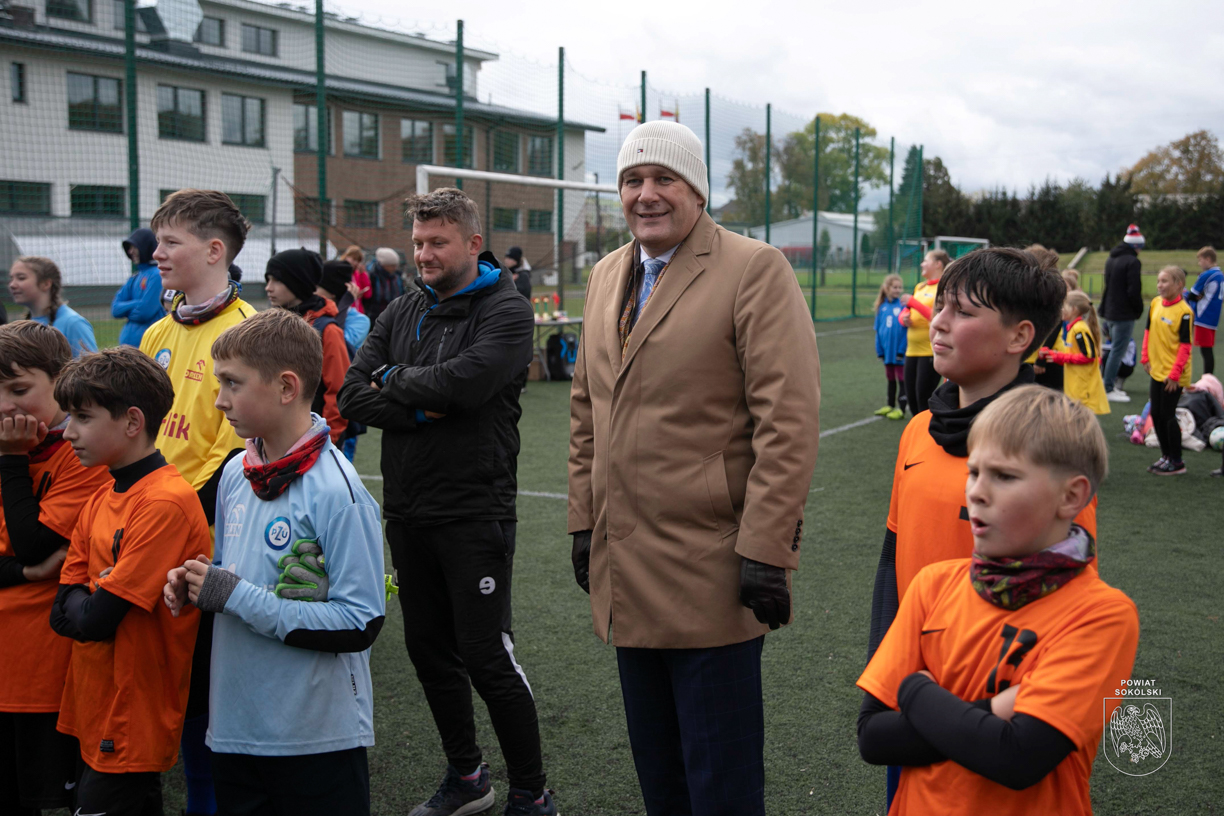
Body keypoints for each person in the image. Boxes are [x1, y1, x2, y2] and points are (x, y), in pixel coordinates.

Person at [568, 121, 821, 816]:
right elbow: (586, 408)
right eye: (631, 181)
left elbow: (788, 420)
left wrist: (768, 550)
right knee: (662, 780)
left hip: (712, 570)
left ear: (696, 190)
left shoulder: (753, 268)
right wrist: (584, 522)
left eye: (664, 179)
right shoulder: (605, 275)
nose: (646, 195)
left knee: (721, 786)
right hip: (626, 569)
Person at [337, 188, 549, 816]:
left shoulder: (507, 311)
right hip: (406, 508)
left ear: (472, 243)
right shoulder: (401, 309)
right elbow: (351, 394)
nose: (424, 253)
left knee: (486, 655)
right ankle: (468, 777)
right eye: (419, 242)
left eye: (438, 242)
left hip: (473, 510)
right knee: (428, 650)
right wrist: (425, 408)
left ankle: (531, 793)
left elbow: (469, 382)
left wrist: (399, 384)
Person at [867, 247, 1096, 810]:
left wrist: (974, 711)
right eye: (939, 305)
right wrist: (886, 669)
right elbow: (891, 559)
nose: (938, 321)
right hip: (909, 694)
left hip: (993, 716)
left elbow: (1066, 600)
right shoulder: (918, 432)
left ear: (1020, 337)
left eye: (963, 311)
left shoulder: (1050, 455)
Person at [857, 385, 1138, 816]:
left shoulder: (1102, 615)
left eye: (1004, 476)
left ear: (1072, 496)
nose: (977, 493)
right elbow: (874, 737)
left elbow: (1017, 756)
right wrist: (996, 712)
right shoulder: (933, 585)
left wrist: (914, 691)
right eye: (973, 472)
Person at [164, 309, 385, 816]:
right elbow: (234, 575)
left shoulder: (339, 491)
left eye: (232, 384)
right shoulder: (237, 473)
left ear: (286, 387)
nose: (218, 400)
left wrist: (236, 596)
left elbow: (361, 621)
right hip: (236, 727)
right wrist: (197, 584)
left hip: (314, 736)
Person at [49, 346, 211, 815]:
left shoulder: (164, 503)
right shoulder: (101, 495)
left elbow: (96, 619)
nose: (69, 431)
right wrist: (96, 592)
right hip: (94, 703)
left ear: (133, 421)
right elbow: (63, 611)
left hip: (132, 712)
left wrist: (92, 594)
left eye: (82, 416)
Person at [140, 188, 253, 816]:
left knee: (205, 678)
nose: (157, 253)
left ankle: (208, 798)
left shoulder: (245, 334)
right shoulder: (159, 330)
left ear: (214, 250)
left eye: (169, 242)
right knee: (162, 672)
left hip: (200, 531)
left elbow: (235, 450)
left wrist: (171, 510)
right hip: (148, 520)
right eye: (158, 241)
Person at [0, 323, 113, 816]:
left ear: (61, 383)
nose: (5, 405)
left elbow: (31, 543)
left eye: (19, 390)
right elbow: (33, 564)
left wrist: (9, 462)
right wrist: (25, 575)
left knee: (48, 798)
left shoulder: (80, 456)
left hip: (44, 671)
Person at [264, 249, 350, 446]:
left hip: (313, 440)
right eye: (267, 280)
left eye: (276, 280)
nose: (268, 287)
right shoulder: (270, 325)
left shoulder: (328, 330)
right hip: (277, 436)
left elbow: (338, 390)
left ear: (297, 282)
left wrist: (328, 439)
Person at [1142, 265, 1194, 476]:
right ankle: (1165, 457)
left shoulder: (1185, 312)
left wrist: (1175, 375)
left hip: (1174, 374)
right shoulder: (1155, 303)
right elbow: (1148, 331)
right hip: (1157, 370)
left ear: (1179, 285)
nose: (1159, 285)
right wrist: (1145, 356)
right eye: (1158, 281)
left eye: (1164, 281)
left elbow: (1185, 347)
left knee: (1168, 415)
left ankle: (1177, 461)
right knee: (1155, 413)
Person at [318, 260, 369, 461]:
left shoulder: (359, 321)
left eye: (317, 288)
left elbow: (336, 340)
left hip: (343, 415)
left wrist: (345, 304)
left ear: (331, 293)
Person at [8, 257, 97, 356]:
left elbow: (89, 369)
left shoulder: (73, 323)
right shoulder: (24, 324)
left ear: (46, 284)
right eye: (11, 278)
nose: (12, 284)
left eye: (21, 278)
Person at [1039, 291, 1109, 414]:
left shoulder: (1079, 329)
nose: (1061, 310)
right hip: (1075, 383)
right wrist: (1053, 355)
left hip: (1082, 385)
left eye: (1064, 306)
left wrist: (1059, 356)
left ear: (1074, 309)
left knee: (1080, 418)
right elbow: (1073, 353)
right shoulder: (1074, 328)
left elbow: (1089, 356)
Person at [1100, 224, 1145, 402]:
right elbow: (1133, 290)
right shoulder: (1132, 262)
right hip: (1123, 313)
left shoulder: (1111, 259)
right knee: (1118, 351)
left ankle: (1108, 385)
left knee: (1114, 350)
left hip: (1110, 311)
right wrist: (1138, 309)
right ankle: (1108, 387)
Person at [899, 249, 947, 414]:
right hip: (911, 350)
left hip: (930, 350)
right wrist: (904, 317)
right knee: (911, 397)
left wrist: (913, 302)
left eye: (926, 260)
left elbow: (935, 316)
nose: (922, 264)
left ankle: (928, 435)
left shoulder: (943, 288)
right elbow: (906, 311)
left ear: (937, 264)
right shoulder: (919, 287)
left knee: (923, 398)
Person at [112, 227, 166, 347]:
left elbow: (145, 312)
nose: (130, 252)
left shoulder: (157, 275)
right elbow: (115, 309)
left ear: (145, 246)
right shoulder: (135, 277)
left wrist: (127, 309)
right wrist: (137, 303)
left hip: (150, 347)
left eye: (134, 247)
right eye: (129, 248)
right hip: (129, 350)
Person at [874, 273, 908, 419]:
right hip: (887, 352)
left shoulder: (903, 306)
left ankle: (901, 408)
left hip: (899, 352)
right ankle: (890, 405)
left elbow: (907, 331)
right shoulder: (881, 307)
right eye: (895, 287)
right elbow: (878, 330)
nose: (898, 290)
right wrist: (879, 350)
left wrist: (901, 350)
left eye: (900, 287)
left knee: (901, 379)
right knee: (890, 378)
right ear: (887, 288)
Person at [1185, 246, 1222, 376]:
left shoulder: (1208, 275)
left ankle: (1207, 380)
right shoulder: (1220, 275)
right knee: (1207, 350)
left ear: (1208, 259)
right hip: (1213, 317)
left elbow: (1191, 295)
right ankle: (1208, 379)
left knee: (1205, 351)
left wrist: (1196, 296)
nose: (1199, 263)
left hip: (1202, 316)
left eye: (1200, 260)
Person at [362, 247, 406, 322]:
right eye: (392, 266)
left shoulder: (397, 278)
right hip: (374, 316)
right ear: (383, 265)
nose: (395, 268)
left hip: (393, 316)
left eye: (396, 265)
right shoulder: (372, 277)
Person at [342, 245, 370, 315]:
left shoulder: (357, 274)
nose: (356, 263)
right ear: (346, 257)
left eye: (358, 261)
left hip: (358, 311)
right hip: (346, 311)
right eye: (354, 260)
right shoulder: (341, 273)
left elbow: (368, 294)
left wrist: (363, 274)